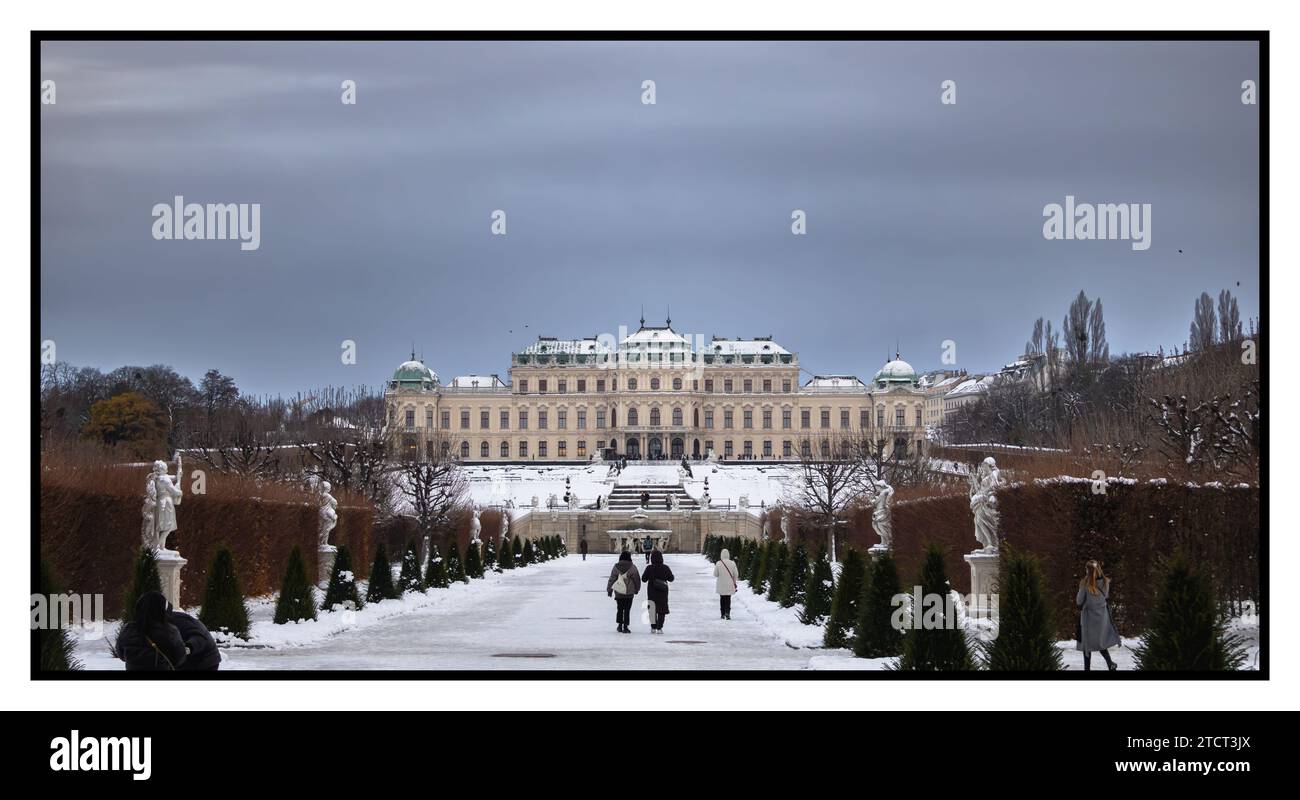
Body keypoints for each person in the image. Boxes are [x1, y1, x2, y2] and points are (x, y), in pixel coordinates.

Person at [115, 591, 187, 671]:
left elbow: (121, 654)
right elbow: (179, 658)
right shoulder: (170, 631)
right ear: (161, 610)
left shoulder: (128, 629)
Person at [1076, 560, 1121, 671]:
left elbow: (1079, 601)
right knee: (1100, 642)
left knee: (1087, 643)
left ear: (1087, 570)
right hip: (1102, 616)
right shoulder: (1105, 582)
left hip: (1088, 617)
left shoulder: (1085, 584)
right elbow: (1105, 597)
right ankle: (1110, 663)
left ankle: (1087, 669)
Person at [166, 601, 221, 671]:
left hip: (205, 660)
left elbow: (199, 638)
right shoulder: (156, 626)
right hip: (187, 660)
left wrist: (188, 648)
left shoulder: (179, 620)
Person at [641, 549, 675, 634]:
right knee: (661, 610)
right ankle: (660, 628)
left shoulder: (649, 568)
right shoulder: (665, 567)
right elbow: (671, 579)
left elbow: (644, 579)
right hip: (662, 592)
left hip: (652, 592)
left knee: (652, 609)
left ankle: (653, 627)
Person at [607, 551, 642, 633]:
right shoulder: (633, 567)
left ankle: (619, 625)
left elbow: (612, 579)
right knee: (627, 609)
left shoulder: (616, 567)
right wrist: (637, 589)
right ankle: (625, 627)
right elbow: (637, 579)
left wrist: (610, 590)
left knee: (619, 608)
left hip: (619, 591)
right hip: (629, 592)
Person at [713, 547, 739, 620]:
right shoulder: (732, 563)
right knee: (728, 598)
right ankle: (728, 613)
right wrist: (734, 581)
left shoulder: (719, 563)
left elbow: (715, 574)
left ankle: (722, 614)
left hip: (721, 584)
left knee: (722, 599)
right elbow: (736, 574)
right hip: (729, 584)